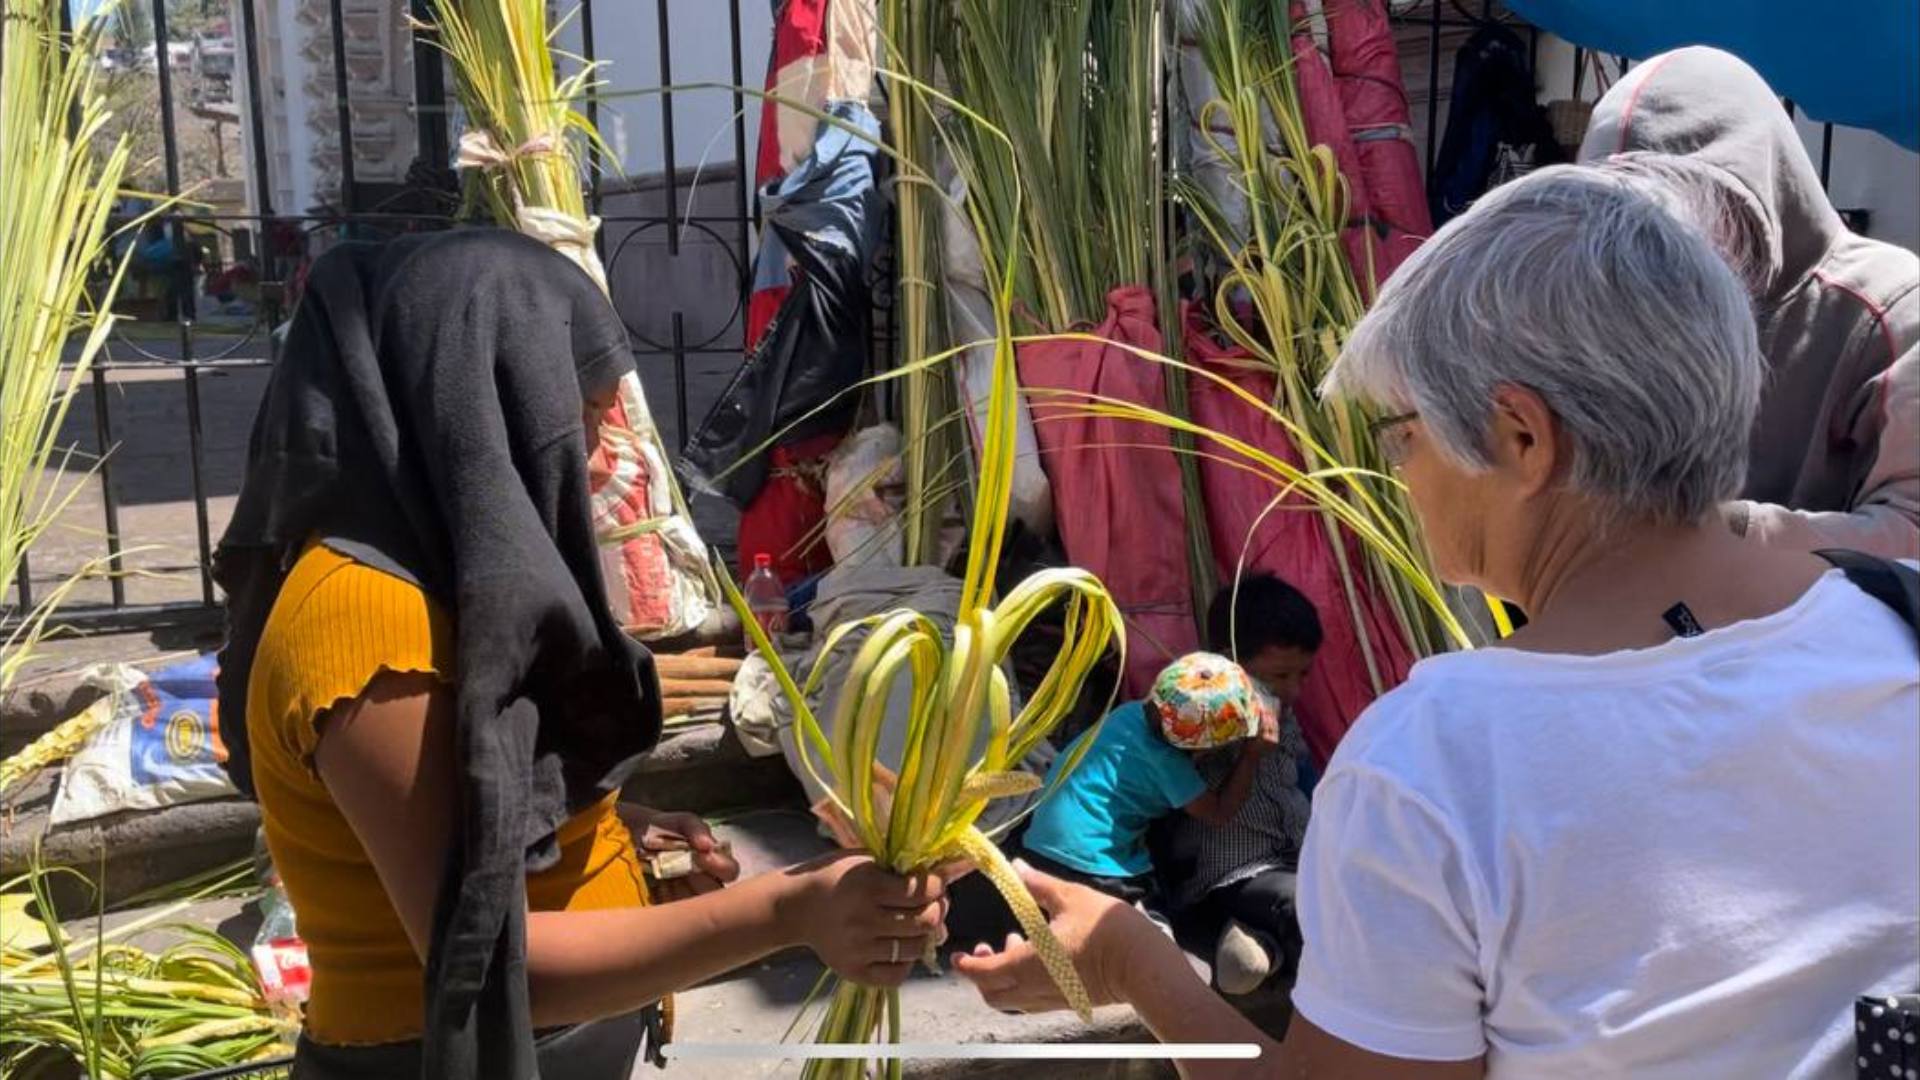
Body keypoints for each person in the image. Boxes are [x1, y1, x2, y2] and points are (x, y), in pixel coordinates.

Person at [952, 162, 1919, 1077]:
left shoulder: (1440, 763)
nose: (1400, 472)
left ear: (1522, 438)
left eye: (1403, 433)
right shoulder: (1888, 626)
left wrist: (1130, 962)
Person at [214, 228, 946, 1078]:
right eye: (588, 418)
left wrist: (609, 836)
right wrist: (787, 909)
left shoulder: (440, 580)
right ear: (476, 409)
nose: (606, 458)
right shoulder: (368, 627)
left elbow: (471, 817)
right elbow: (484, 965)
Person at [1581, 46, 1919, 560]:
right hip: (1658, 632)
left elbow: (1911, 533)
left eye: (1680, 210)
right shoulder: (1617, 315)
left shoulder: (1891, 308)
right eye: (1620, 217)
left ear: (1757, 195)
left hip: (1828, 636)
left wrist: (1718, 533)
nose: (1652, 247)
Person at [1150, 575, 1320, 996]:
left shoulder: (1283, 712)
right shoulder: (1202, 716)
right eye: (1280, 675)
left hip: (1286, 865)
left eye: (1302, 674)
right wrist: (1248, 752)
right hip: (1227, 878)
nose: (1293, 689)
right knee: (1304, 904)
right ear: (1229, 664)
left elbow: (1299, 782)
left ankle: (1259, 950)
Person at [1017, 652, 1280, 911]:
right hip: (1091, 862)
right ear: (1206, 746)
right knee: (1150, 932)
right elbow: (1218, 813)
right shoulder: (1168, 763)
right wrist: (1250, 757)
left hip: (1039, 843)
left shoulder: (1128, 713)